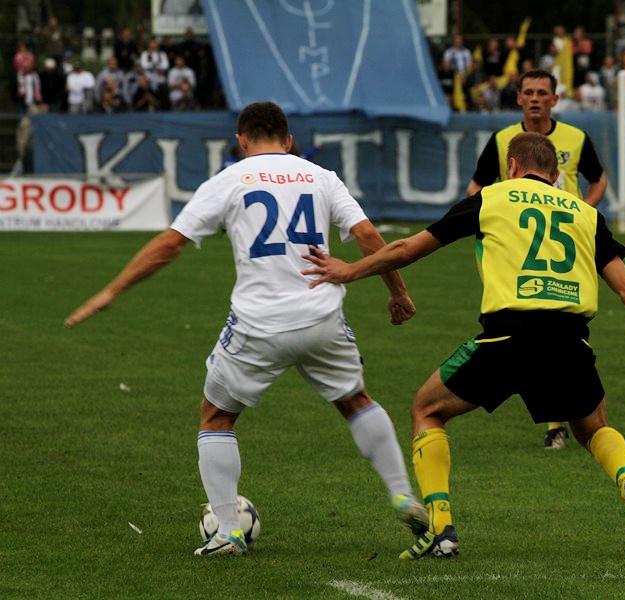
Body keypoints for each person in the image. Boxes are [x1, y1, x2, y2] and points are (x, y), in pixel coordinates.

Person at [301, 132, 625, 560]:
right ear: (555, 176)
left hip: (507, 337)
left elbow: (406, 249)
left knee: (427, 409)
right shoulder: (587, 215)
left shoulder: (492, 198)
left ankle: (441, 530)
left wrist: (349, 271)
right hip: (570, 340)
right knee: (593, 427)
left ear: (511, 166)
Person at [64, 101, 428, 556]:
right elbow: (370, 237)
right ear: (289, 139)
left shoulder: (229, 180)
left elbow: (170, 244)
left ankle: (228, 532)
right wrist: (397, 291)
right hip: (322, 318)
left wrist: (111, 292)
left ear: (241, 141)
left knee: (216, 416)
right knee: (356, 400)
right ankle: (401, 492)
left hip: (258, 324)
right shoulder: (320, 176)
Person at [466, 69, 608, 448]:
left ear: (554, 99)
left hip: (567, 239)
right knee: (543, 319)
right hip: (521, 243)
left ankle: (558, 420)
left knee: (554, 317)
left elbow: (599, 179)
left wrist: (583, 212)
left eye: (542, 92)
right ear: (518, 98)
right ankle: (558, 425)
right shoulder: (501, 141)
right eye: (527, 92)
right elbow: (476, 185)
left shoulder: (576, 138)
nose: (534, 98)